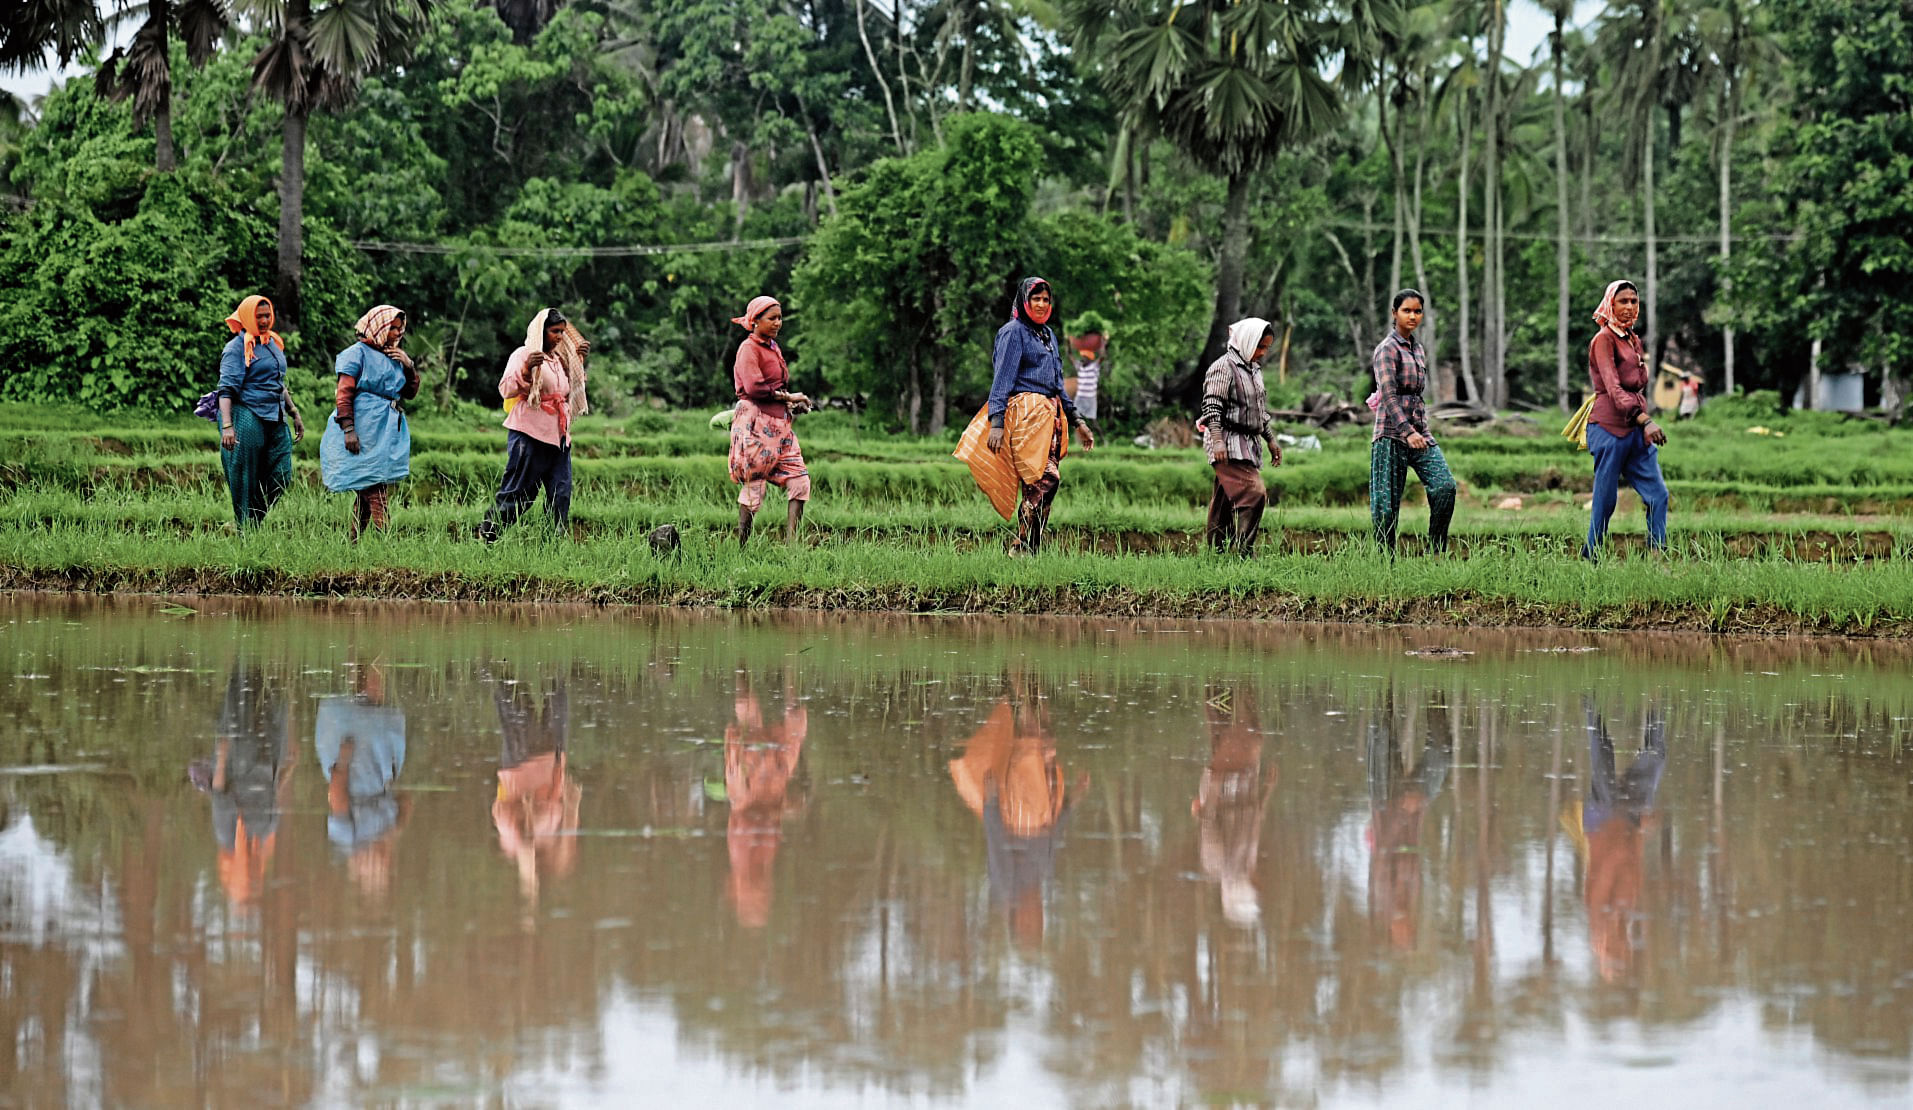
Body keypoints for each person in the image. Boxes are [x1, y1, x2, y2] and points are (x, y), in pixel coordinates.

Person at [954, 277, 1096, 554]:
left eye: (1046, 299)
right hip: (1024, 416)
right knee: (1047, 478)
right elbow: (1002, 379)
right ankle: (1021, 543)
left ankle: (1032, 547)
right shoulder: (1013, 332)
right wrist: (996, 423)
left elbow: (1058, 384)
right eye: (1036, 299)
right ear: (1025, 301)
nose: (1042, 304)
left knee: (1042, 487)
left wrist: (1078, 421)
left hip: (1050, 418)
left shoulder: (1048, 336)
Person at [948, 687, 1085, 948]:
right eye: (1040, 921)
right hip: (1045, 806)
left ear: (1021, 921)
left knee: (1030, 744)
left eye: (1034, 922)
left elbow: (996, 842)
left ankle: (1023, 687)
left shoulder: (1006, 886)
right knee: (1045, 744)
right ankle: (1037, 687)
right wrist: (1070, 802)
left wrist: (991, 802)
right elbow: (1052, 841)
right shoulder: (1038, 882)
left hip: (1022, 807)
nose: (1039, 915)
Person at [478, 308, 589, 544]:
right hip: (529, 435)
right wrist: (527, 368)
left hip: (559, 437)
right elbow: (506, 388)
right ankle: (487, 534)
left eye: (561, 332)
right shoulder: (523, 354)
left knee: (560, 493)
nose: (559, 336)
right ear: (541, 331)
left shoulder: (559, 359)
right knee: (520, 493)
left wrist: (579, 360)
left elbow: (568, 389)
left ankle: (552, 545)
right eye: (554, 331)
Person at [1578, 699, 1667, 981]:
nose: (1626, 945)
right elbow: (1634, 862)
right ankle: (1659, 697)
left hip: (1603, 822)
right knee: (1656, 755)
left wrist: (1633, 830)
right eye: (1625, 951)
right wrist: (1641, 831)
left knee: (1602, 751)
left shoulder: (1598, 912)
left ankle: (1589, 696)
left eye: (1619, 950)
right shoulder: (1626, 910)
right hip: (1627, 822)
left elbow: (1611, 861)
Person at [1582, 280, 1670, 560]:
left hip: (1635, 431)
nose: (1630, 307)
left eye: (1634, 301)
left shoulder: (1633, 340)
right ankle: (1591, 555)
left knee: (1658, 495)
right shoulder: (1603, 340)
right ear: (1611, 304)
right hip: (1608, 429)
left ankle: (1657, 556)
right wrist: (1646, 420)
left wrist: (1641, 423)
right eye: (1623, 301)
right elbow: (1614, 390)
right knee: (1605, 501)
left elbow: (1637, 385)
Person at [195, 665, 296, 907]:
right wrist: (289, 768)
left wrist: (222, 753)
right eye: (252, 881)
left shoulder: (227, 837)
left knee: (242, 690)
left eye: (246, 881)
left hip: (240, 756)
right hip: (269, 754)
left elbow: (220, 794)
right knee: (274, 696)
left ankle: (246, 647)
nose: (250, 876)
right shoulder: (263, 843)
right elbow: (273, 797)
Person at [319, 305, 420, 541]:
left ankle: (352, 544)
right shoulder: (357, 353)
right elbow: (344, 393)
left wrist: (409, 365)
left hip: (384, 429)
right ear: (378, 328)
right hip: (364, 427)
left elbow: (410, 391)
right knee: (376, 486)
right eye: (392, 329)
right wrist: (349, 429)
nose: (397, 334)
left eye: (399, 329)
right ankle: (385, 542)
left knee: (369, 486)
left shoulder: (395, 357)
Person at [1368, 289, 1455, 555]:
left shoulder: (1418, 349)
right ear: (1394, 314)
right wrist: (1406, 431)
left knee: (1444, 487)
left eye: (1417, 311)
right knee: (1386, 507)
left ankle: (1435, 551)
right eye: (1407, 310)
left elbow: (1416, 395)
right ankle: (1386, 564)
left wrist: (1418, 430)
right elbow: (1389, 395)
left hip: (1420, 432)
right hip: (1391, 433)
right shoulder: (1386, 350)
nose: (1413, 316)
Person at [315, 663, 409, 898]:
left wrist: (343, 760)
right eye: (384, 868)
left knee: (357, 713)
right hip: (374, 769)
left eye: (375, 871)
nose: (381, 864)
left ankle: (364, 664)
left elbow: (336, 795)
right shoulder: (385, 831)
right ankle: (373, 663)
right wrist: (391, 836)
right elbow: (406, 801)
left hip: (354, 766)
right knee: (374, 712)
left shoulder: (348, 838)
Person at [1365, 695, 1451, 951]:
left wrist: (1402, 809)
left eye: (1404, 935)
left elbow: (1383, 848)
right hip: (1415, 804)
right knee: (1442, 751)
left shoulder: (1382, 897)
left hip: (1387, 801)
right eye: (1410, 934)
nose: (1408, 930)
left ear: (1392, 931)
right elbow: (1414, 843)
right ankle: (1435, 691)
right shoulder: (1411, 900)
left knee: (1381, 731)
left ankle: (1382, 680)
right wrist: (1419, 805)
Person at [728, 295, 812, 545]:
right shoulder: (748, 349)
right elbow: (754, 388)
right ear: (755, 321)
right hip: (755, 425)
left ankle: (792, 546)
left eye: (780, 318)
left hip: (779, 426)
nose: (778, 323)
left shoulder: (773, 347)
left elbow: (774, 386)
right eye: (772, 318)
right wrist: (789, 396)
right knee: (755, 486)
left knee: (799, 480)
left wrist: (789, 403)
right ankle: (741, 547)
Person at [491, 672, 582, 904]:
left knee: (513, 695)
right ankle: (557, 664)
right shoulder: (553, 836)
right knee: (554, 692)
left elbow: (499, 808)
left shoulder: (512, 839)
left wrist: (525, 822)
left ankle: (497, 661)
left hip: (521, 763)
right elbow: (561, 798)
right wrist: (561, 761)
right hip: (548, 756)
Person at [724, 679, 807, 928]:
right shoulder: (761, 862)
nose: (764, 891)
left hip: (750, 786)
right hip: (772, 781)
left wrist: (778, 811)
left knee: (750, 727)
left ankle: (744, 672)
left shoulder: (741, 858)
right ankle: (790, 676)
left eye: (758, 897)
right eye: (763, 898)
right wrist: (785, 808)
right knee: (793, 732)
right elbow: (770, 825)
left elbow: (746, 818)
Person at [215, 295, 303, 529]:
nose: (264, 320)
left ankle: (252, 520)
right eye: (258, 316)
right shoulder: (235, 348)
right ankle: (244, 528)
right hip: (247, 413)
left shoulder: (271, 342)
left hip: (275, 414)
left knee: (282, 474)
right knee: (244, 475)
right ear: (246, 317)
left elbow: (278, 382)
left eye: (267, 315)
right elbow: (225, 390)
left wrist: (293, 411)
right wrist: (227, 426)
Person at [1191, 685, 1276, 928]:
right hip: (1244, 782)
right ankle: (1242, 683)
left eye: (1254, 886)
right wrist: (1267, 790)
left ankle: (1218, 683)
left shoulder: (1216, 863)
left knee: (1226, 729)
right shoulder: (1247, 864)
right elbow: (1255, 822)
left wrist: (1217, 781)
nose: (1258, 880)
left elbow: (1207, 820)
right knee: (1252, 732)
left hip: (1227, 782)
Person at [1199, 317, 1283, 556]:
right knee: (1254, 494)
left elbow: (1258, 409)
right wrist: (1217, 440)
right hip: (1227, 441)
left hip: (1248, 442)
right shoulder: (1223, 367)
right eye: (1260, 347)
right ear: (1247, 342)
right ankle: (1245, 552)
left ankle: (1217, 554)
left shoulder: (1253, 369)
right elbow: (1212, 406)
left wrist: (1270, 439)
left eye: (1266, 347)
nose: (1263, 353)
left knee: (1224, 502)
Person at [1068, 328, 1105, 438]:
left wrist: (1104, 341)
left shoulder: (1094, 367)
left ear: (1089, 359)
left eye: (1084, 357)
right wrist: (1067, 340)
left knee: (1093, 422)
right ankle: (1080, 441)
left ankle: (1103, 440)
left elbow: (1102, 356)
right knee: (1076, 419)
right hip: (1080, 398)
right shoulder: (1080, 367)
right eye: (1082, 357)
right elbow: (1070, 355)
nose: (1082, 358)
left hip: (1090, 398)